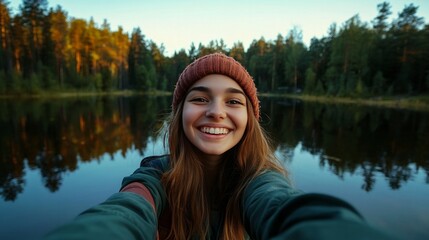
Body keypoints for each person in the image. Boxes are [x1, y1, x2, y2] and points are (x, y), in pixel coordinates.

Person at [44, 53, 394, 240]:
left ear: (249, 120)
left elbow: (282, 208)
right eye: (200, 98)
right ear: (180, 114)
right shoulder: (154, 176)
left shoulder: (259, 181)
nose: (216, 111)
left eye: (233, 101)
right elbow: (123, 214)